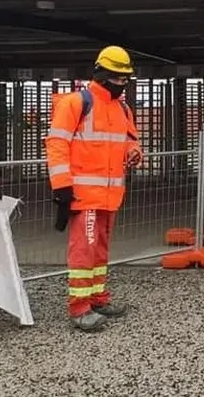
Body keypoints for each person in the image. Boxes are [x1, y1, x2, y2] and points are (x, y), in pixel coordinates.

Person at [44, 45, 143, 331]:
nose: (122, 84)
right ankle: (79, 308)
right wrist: (62, 186)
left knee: (99, 250)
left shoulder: (122, 108)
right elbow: (57, 143)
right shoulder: (75, 103)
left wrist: (134, 151)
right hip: (83, 196)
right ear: (102, 74)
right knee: (83, 252)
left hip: (110, 195)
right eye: (118, 78)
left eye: (126, 79)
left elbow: (129, 140)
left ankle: (98, 299)